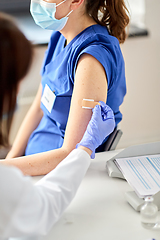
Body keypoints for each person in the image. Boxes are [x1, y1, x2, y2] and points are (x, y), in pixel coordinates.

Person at [0, 11, 115, 240]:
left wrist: (9, 162)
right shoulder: (60, 39)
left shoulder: (89, 55)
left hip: (46, 170)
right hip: (38, 176)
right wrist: (8, 168)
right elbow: (42, 209)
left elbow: (39, 109)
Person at [5, 0, 129, 176]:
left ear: (76, 1)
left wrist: (6, 169)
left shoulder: (91, 59)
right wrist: (11, 158)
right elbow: (38, 109)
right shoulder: (59, 37)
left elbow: (71, 153)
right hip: (29, 162)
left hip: (56, 174)